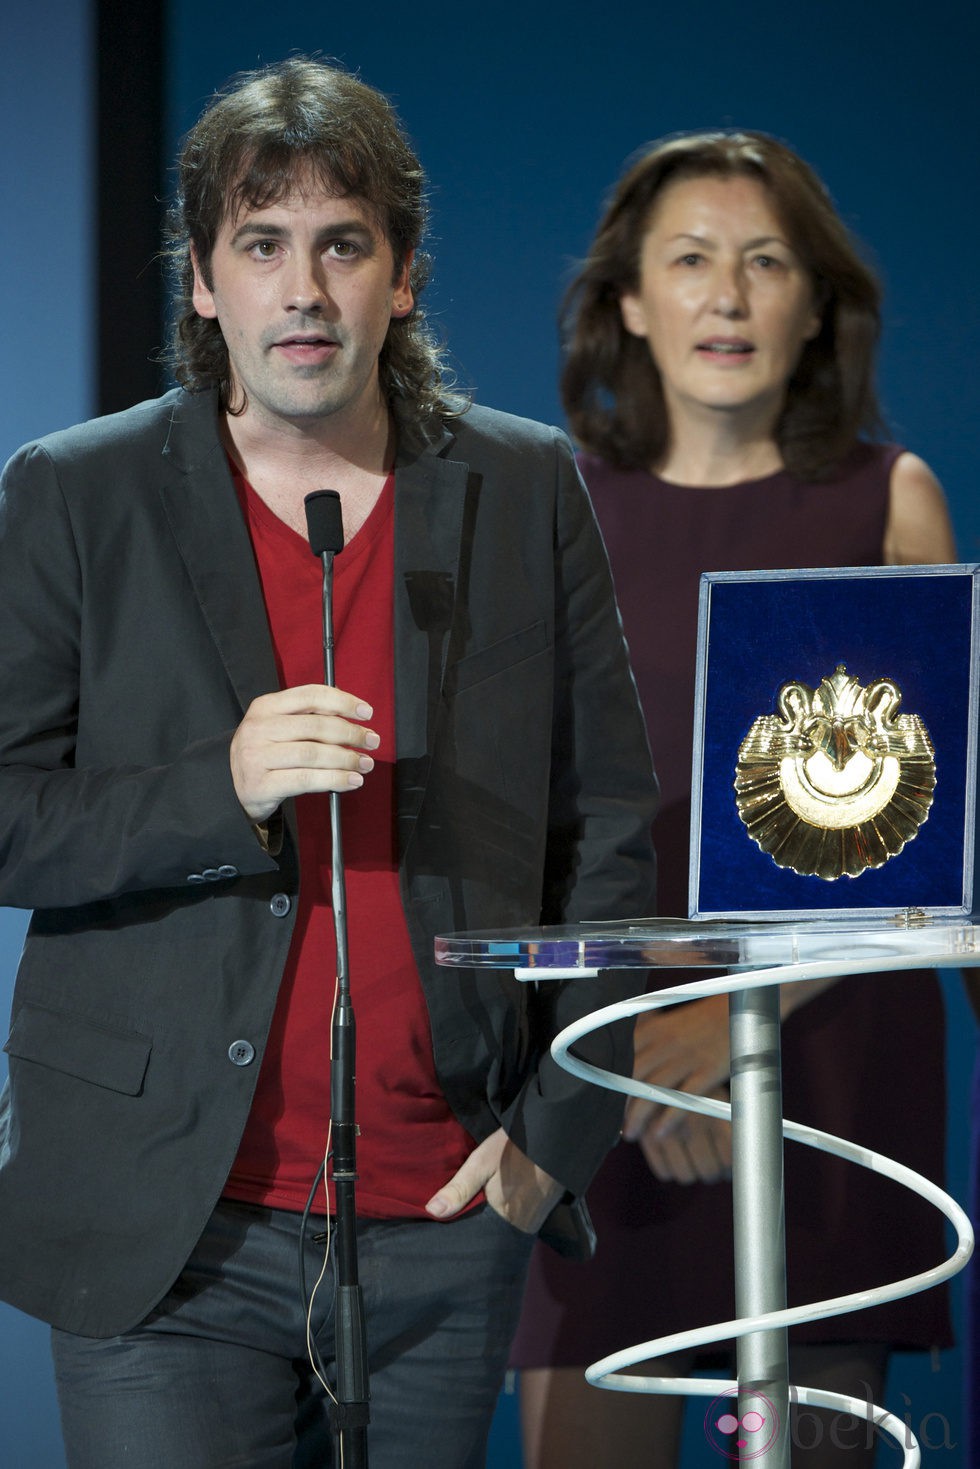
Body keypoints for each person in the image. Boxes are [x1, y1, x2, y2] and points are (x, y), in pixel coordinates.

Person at [0, 58, 659, 1469]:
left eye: (343, 245)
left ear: (403, 278)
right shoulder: (76, 492)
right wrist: (213, 786)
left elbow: (609, 818)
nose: (304, 290)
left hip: (443, 1214)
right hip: (168, 1225)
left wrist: (560, 1129)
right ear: (202, 282)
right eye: (261, 244)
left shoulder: (524, 485)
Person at [511, 129, 958, 1469]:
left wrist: (738, 1026)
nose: (728, 293)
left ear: (814, 304)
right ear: (631, 304)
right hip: (614, 1066)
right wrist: (647, 1046)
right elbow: (520, 837)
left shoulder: (891, 501)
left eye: (766, 263)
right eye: (692, 261)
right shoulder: (551, 514)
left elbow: (926, 835)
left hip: (826, 1071)